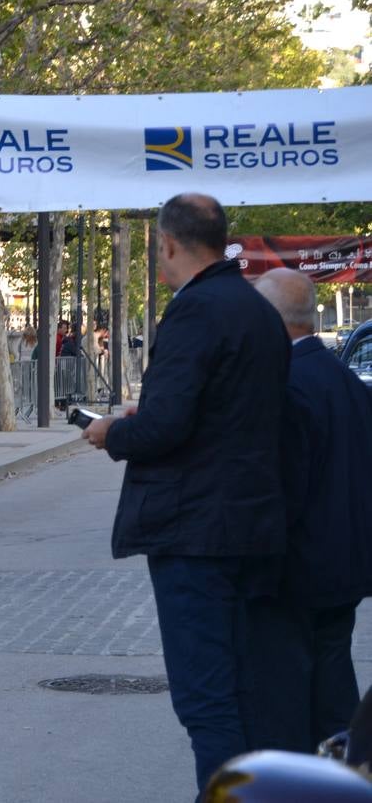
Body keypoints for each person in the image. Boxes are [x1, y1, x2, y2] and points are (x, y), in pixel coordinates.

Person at [81, 193, 289, 793]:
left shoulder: (194, 312)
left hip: (196, 533)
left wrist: (113, 432)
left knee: (207, 699)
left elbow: (167, 427)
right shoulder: (257, 310)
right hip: (252, 526)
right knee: (243, 690)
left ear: (167, 244)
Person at [243, 268, 372, 753]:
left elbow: (283, 491)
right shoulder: (344, 381)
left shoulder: (287, 384)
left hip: (295, 575)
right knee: (333, 691)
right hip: (343, 568)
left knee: (287, 705)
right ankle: (344, 774)